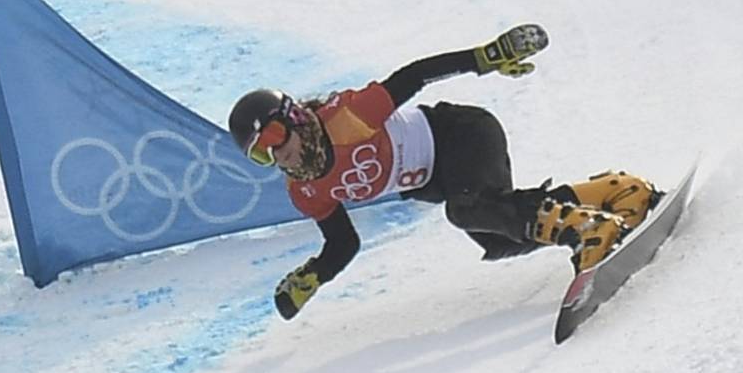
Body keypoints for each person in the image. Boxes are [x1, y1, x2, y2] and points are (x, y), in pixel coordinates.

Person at [227, 24, 662, 320]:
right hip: (445, 180)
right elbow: (344, 241)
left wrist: (486, 56)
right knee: (499, 237)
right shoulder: (304, 191)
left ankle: (586, 231)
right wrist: (315, 275)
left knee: (468, 210)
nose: (278, 155)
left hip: (462, 134)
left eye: (276, 137)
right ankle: (615, 193)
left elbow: (415, 75)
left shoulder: (347, 118)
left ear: (297, 118)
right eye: (262, 155)